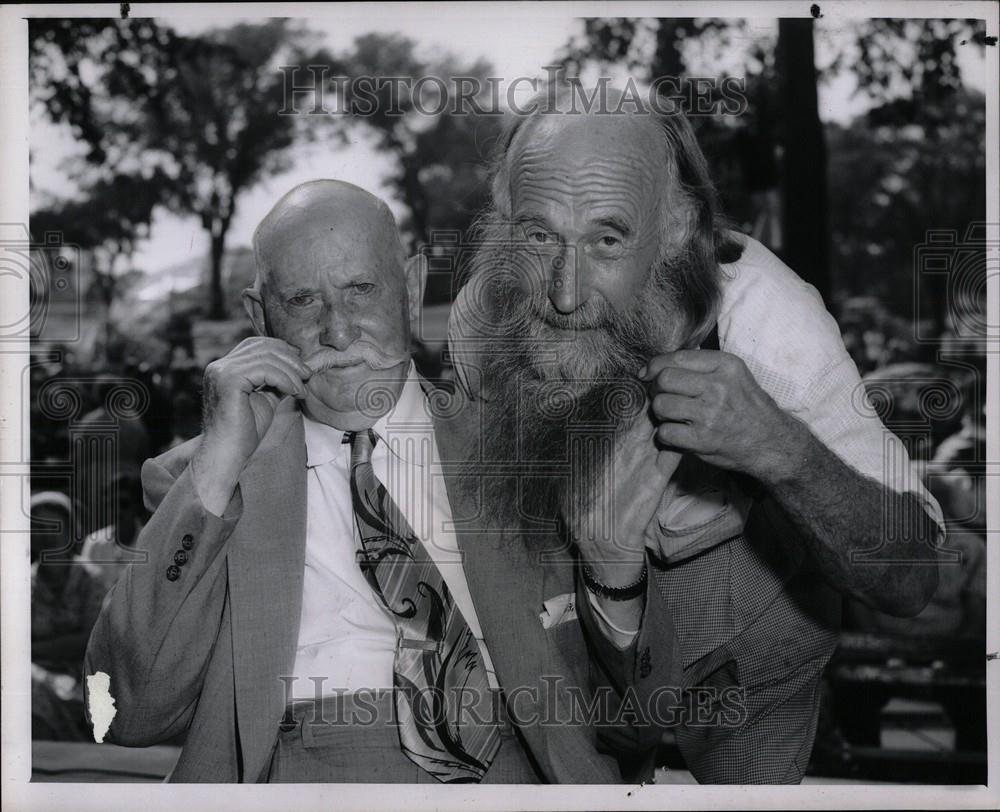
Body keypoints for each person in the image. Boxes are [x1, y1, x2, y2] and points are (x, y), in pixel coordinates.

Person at [84, 180, 680, 784]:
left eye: (360, 290)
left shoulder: (527, 451)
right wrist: (219, 462)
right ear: (259, 319)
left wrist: (614, 575)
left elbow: (636, 723)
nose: (338, 332)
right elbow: (123, 714)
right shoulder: (204, 478)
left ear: (412, 289)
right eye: (300, 300)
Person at [447, 88, 945, 783]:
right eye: (537, 236)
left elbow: (913, 580)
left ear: (677, 226)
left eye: (607, 239)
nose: (563, 295)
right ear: (505, 220)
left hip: (751, 671)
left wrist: (780, 449)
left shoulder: (766, 318)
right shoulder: (482, 322)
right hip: (578, 649)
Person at [31, 491, 105, 741]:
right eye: (37, 527)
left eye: (53, 527)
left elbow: (90, 640)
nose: (44, 535)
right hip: (35, 675)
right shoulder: (20, 582)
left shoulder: (90, 579)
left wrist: (34, 648)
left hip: (82, 676)